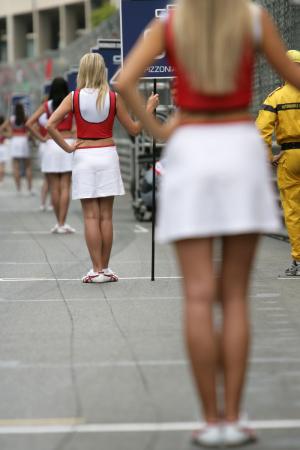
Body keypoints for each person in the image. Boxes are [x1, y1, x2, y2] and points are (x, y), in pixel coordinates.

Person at [117, 0, 300, 447]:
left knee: (198, 295)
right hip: (238, 143)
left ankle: (210, 420)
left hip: (192, 146)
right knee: (234, 296)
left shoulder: (174, 23)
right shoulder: (252, 19)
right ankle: (234, 419)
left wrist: (160, 131)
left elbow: (124, 81)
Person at [46, 53, 158, 283]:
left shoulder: (73, 97)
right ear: (102, 72)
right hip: (108, 155)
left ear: (83, 72)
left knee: (90, 216)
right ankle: (105, 269)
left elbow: (50, 125)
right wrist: (148, 108)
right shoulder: (113, 97)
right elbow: (136, 130)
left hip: (84, 156)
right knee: (106, 216)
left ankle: (95, 269)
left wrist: (68, 148)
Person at [256, 50, 300, 277]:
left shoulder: (276, 97)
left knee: (293, 210)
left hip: (290, 156)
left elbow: (261, 132)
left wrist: (267, 157)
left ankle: (299, 260)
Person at [26, 78, 75, 233]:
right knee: (66, 185)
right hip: (67, 143)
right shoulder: (71, 103)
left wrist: (41, 138)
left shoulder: (47, 105)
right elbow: (77, 126)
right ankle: (63, 222)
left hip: (51, 144)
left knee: (54, 187)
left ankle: (58, 224)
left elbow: (29, 123)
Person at [0, 103, 33, 194]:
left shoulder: (11, 119)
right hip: (24, 140)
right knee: (28, 166)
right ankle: (29, 189)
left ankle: (18, 189)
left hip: (15, 140)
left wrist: (8, 135)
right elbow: (32, 128)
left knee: (16, 166)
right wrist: (28, 135)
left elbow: (1, 128)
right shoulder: (25, 118)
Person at [0, 115, 9, 184]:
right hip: (3, 147)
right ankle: (1, 179)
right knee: (2, 165)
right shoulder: (4, 128)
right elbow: (10, 134)